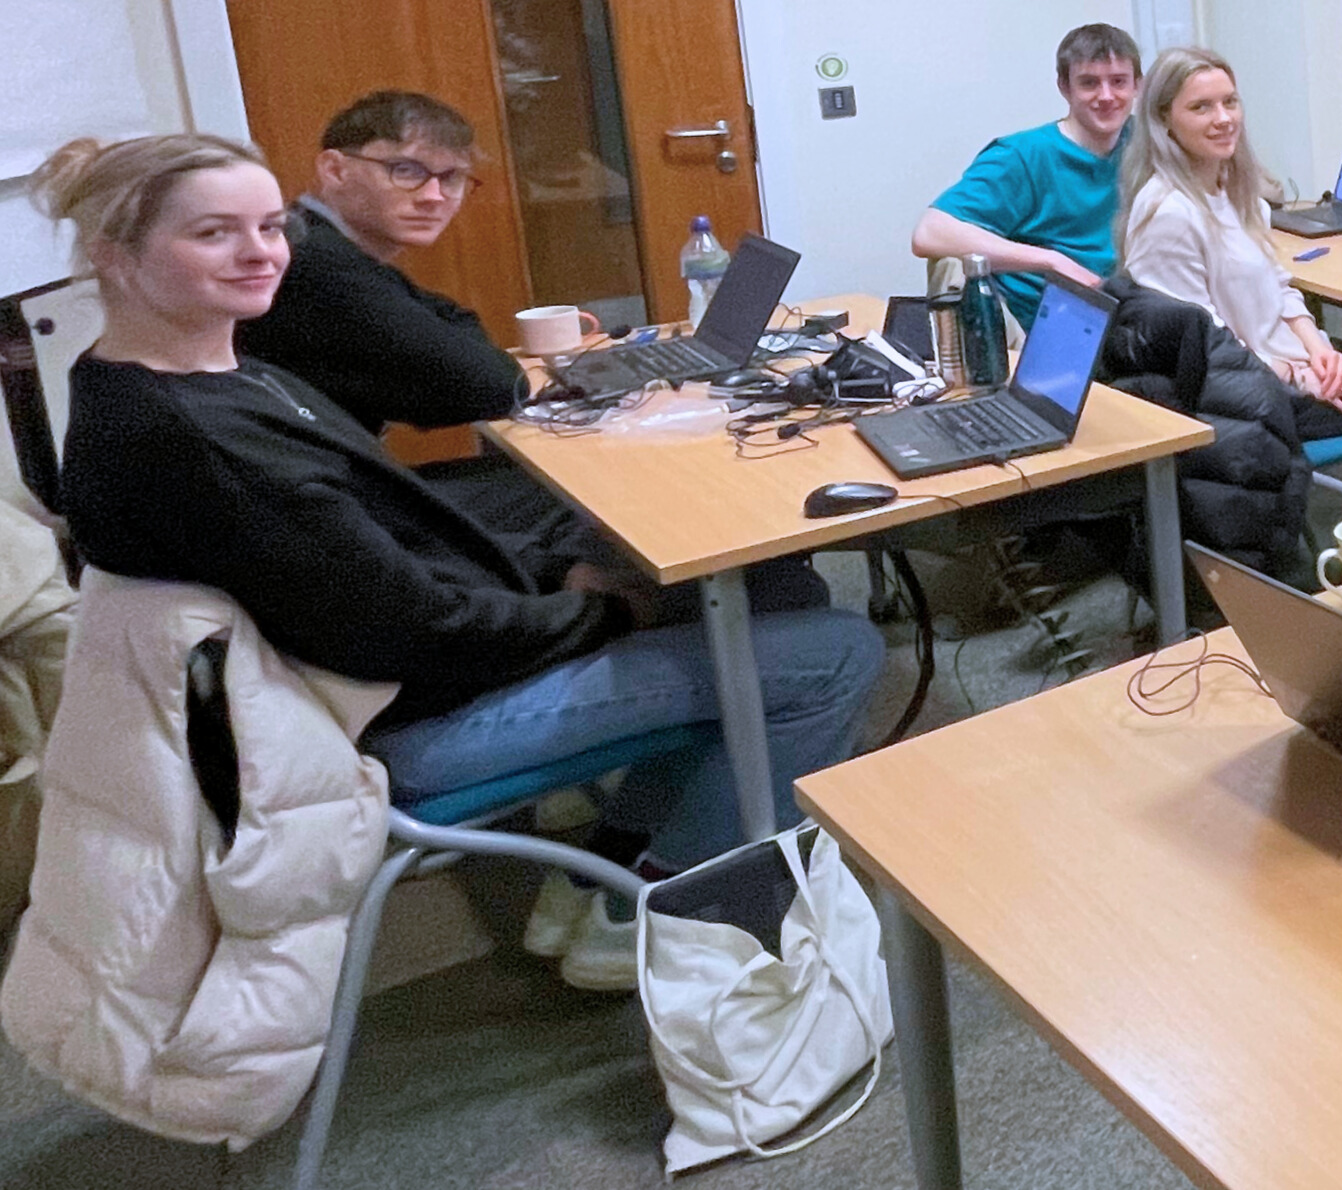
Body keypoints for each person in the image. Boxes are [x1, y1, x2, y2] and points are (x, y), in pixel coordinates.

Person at [36, 134, 882, 989]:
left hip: (377, 678)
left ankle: (606, 866)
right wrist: (608, 611)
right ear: (115, 252)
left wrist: (561, 577)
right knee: (836, 651)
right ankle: (660, 912)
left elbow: (395, 550)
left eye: (269, 226)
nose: (261, 254)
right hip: (394, 729)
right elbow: (413, 630)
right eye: (215, 233)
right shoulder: (196, 438)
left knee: (758, 587)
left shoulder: (187, 374)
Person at [1115, 47, 1342, 527]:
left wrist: (1320, 351)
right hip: (1249, 396)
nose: (1223, 118)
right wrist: (1297, 376)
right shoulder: (1166, 213)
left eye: (1230, 102)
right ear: (1164, 121)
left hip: (1292, 362)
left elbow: (1280, 287)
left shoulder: (1231, 186)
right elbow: (1201, 349)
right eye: (1201, 107)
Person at [235, 90, 525, 437]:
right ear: (335, 170)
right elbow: (496, 386)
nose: (434, 196)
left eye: (450, 177)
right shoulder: (314, 263)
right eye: (404, 170)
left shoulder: (318, 243)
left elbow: (455, 329)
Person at [913, 23, 1144, 325]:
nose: (1106, 96)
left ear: (1137, 85)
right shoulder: (1021, 155)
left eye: (1118, 82)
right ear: (1064, 87)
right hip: (1040, 326)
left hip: (1124, 314)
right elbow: (929, 232)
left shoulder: (1147, 142)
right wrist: (1051, 261)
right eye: (1089, 83)